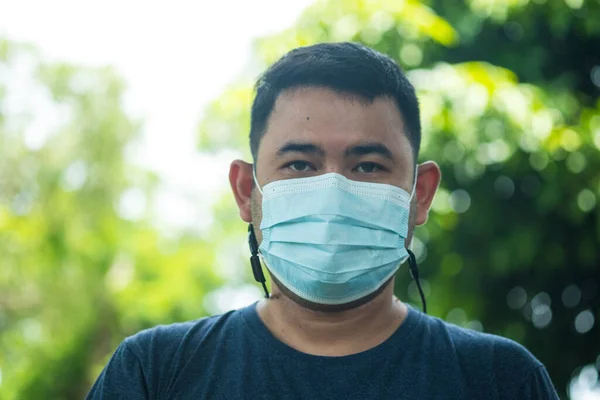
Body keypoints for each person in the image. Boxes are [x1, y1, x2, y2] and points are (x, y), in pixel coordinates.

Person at [87, 42, 559, 399]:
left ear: (420, 194)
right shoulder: (154, 373)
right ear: (247, 190)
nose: (333, 190)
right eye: (300, 165)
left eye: (368, 165)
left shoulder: (502, 380)